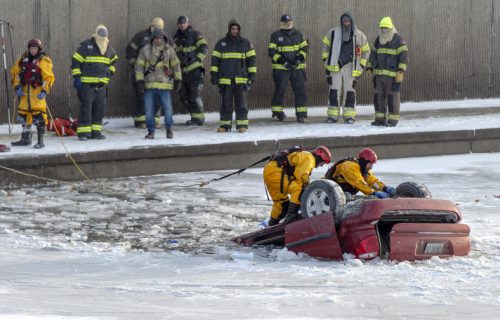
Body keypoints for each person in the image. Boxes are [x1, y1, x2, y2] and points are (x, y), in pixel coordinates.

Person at [264, 146, 332, 226]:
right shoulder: (310, 158)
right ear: (320, 158)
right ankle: (291, 216)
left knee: (282, 203)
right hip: (277, 172)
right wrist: (309, 188)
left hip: (270, 171)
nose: (321, 165)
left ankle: (271, 225)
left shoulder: (305, 155)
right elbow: (301, 175)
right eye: (323, 162)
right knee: (300, 188)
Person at [322, 12, 370, 124]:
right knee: (334, 92)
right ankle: (332, 116)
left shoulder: (359, 35)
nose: (346, 23)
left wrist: (361, 65)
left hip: (351, 68)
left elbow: (366, 51)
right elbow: (325, 46)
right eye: (344, 21)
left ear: (352, 21)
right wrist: (326, 60)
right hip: (335, 68)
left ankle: (349, 116)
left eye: (348, 21)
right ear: (341, 21)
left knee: (349, 92)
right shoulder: (333, 33)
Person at [71, 24, 118, 140]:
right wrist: (77, 77)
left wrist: (109, 73)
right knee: (86, 109)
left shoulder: (109, 48)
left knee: (99, 109)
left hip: (101, 86)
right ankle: (84, 133)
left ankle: (96, 132)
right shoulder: (86, 46)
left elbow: (113, 62)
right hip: (87, 86)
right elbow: (76, 61)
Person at [210, 19, 256, 133]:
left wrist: (252, 76)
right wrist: (214, 75)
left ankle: (242, 125)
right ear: (229, 29)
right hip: (226, 80)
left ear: (239, 30)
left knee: (241, 104)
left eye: (236, 29)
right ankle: (225, 125)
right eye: (232, 29)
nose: (234, 31)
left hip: (241, 79)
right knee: (226, 104)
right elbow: (215, 61)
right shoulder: (221, 43)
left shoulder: (245, 43)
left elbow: (252, 61)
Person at [135, 29, 182, 139]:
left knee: (168, 109)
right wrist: (140, 81)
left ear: (164, 39)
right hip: (149, 86)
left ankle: (169, 129)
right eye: (156, 38)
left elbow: (176, 66)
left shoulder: (169, 50)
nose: (158, 40)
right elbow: (139, 67)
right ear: (152, 39)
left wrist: (178, 80)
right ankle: (151, 131)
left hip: (165, 86)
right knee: (149, 111)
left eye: (160, 38)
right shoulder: (145, 50)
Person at [10, 38, 55, 149]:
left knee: (39, 117)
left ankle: (40, 141)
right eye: (31, 48)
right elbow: (15, 73)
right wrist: (17, 87)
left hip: (37, 94)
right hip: (25, 93)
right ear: (29, 49)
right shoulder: (23, 59)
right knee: (24, 116)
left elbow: (48, 78)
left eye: (35, 48)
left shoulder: (44, 60)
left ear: (39, 49)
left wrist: (44, 91)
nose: (33, 51)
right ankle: (25, 139)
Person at [366, 17, 408, 127]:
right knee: (378, 98)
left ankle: (392, 121)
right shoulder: (378, 40)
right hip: (379, 77)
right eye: (382, 27)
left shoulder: (398, 40)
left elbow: (403, 56)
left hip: (393, 77)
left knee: (392, 98)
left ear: (391, 27)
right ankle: (380, 120)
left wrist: (400, 71)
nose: (384, 30)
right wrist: (369, 68)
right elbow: (373, 55)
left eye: (386, 27)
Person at [126, 17, 166, 129]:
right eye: (155, 28)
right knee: (142, 95)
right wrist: (136, 65)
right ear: (151, 26)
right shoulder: (140, 36)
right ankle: (141, 121)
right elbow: (129, 51)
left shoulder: (166, 38)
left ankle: (155, 120)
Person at [268, 14, 308, 123]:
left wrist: (298, 59)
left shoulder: (299, 34)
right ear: (281, 24)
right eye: (285, 23)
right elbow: (271, 51)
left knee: (300, 91)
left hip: (297, 69)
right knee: (280, 91)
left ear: (292, 23)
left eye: (289, 23)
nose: (287, 25)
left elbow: (305, 48)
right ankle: (278, 112)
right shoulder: (275, 35)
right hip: (281, 69)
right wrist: (283, 61)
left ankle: (301, 114)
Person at [174, 15, 208, 126]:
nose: (182, 24)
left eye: (184, 22)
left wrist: (197, 59)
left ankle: (198, 118)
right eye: (180, 23)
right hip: (183, 72)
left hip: (194, 71)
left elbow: (204, 47)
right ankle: (194, 115)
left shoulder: (195, 34)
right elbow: (173, 53)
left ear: (188, 23)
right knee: (183, 96)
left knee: (194, 95)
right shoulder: (176, 38)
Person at [324, 147, 396, 198]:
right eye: (370, 164)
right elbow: (358, 182)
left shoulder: (363, 170)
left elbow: (373, 182)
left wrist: (385, 188)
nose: (371, 167)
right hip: (329, 192)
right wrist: (373, 192)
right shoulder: (349, 166)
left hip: (343, 193)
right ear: (364, 162)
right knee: (348, 195)